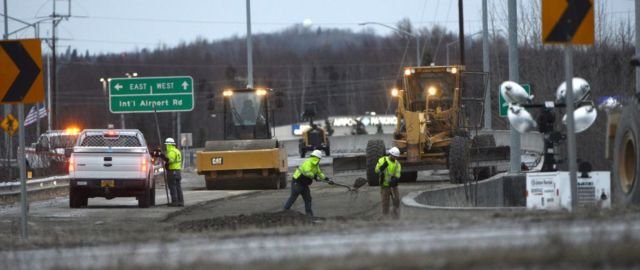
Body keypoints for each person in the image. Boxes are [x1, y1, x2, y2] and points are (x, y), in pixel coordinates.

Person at [283, 149, 333, 217]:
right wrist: (314, 176)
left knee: (308, 199)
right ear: (317, 158)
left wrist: (326, 179)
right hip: (297, 182)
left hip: (304, 184)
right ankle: (285, 212)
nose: (320, 160)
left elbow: (319, 173)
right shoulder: (308, 162)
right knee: (293, 197)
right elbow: (307, 172)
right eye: (320, 159)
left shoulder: (316, 166)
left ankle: (309, 215)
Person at [375, 147, 402, 218]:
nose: (395, 158)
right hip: (384, 185)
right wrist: (382, 167)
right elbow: (376, 171)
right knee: (385, 202)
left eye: (396, 157)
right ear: (391, 154)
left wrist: (395, 179)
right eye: (394, 156)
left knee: (396, 200)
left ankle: (395, 215)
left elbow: (398, 174)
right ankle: (385, 216)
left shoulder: (397, 164)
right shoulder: (382, 160)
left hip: (393, 185)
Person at [164, 137, 184, 207]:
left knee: (172, 187)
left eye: (166, 144)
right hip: (178, 171)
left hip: (172, 171)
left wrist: (165, 161)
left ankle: (174, 202)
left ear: (168, 145)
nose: (166, 146)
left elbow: (170, 160)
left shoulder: (171, 152)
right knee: (178, 187)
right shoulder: (177, 151)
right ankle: (180, 202)